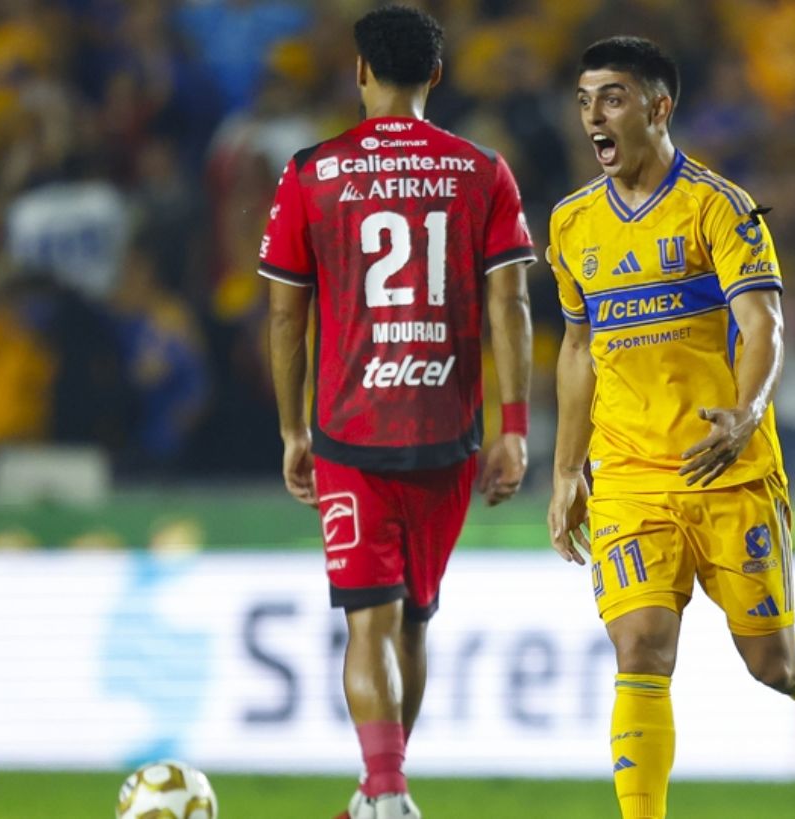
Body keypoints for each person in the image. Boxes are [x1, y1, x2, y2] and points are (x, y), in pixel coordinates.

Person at [546, 36, 795, 819]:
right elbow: (576, 348)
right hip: (628, 471)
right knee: (641, 645)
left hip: (725, 464)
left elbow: (764, 321)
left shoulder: (719, 207)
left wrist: (748, 409)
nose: (593, 116)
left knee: (771, 661)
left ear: (658, 107)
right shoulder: (571, 222)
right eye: (584, 101)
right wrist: (568, 470)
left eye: (612, 98)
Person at [261, 7, 535, 819]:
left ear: (360, 71)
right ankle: (383, 790)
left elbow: (285, 315)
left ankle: (383, 787)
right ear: (437, 76)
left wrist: (292, 429)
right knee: (412, 623)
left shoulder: (312, 172)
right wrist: (515, 429)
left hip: (351, 433)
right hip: (447, 432)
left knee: (369, 624)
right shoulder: (483, 170)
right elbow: (511, 303)